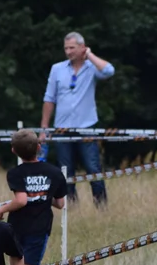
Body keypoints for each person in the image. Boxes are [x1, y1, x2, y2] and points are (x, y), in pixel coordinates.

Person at [0, 129, 68, 265]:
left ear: (13, 151)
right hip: (39, 229)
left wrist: (1, 210)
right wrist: (43, 196)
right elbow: (59, 203)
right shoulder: (54, 173)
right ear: (39, 147)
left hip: (15, 227)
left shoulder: (15, 173)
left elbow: (21, 199)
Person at [41, 32, 115, 207]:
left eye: (72, 48)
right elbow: (49, 98)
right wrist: (44, 126)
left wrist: (89, 55)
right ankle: (71, 207)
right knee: (65, 171)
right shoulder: (57, 69)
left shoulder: (91, 67)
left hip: (86, 127)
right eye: (66, 48)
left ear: (82, 47)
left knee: (93, 168)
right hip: (61, 128)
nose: (68, 51)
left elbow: (109, 71)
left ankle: (101, 206)